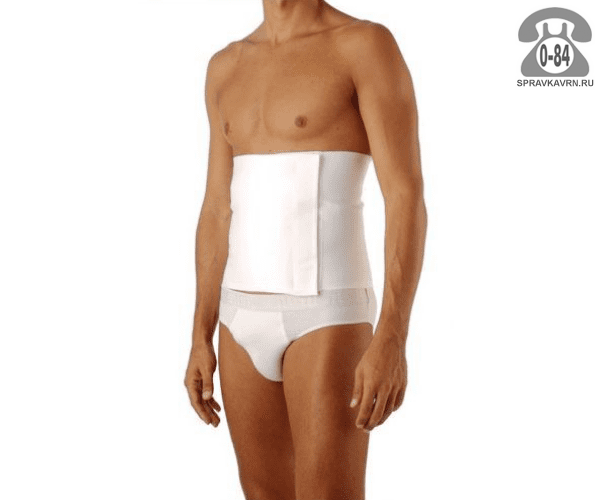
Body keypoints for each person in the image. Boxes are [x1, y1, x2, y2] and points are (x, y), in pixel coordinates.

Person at [184, 1, 427, 499]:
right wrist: (199, 334)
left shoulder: (363, 45)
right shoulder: (225, 66)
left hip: (326, 314)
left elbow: (405, 197)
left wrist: (393, 335)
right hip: (237, 316)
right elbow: (216, 209)